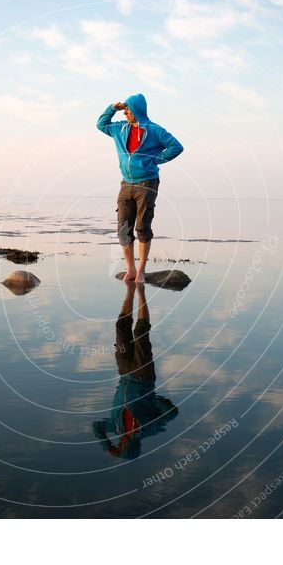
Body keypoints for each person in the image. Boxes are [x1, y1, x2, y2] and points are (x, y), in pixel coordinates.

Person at [97, 93, 183, 283]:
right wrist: (113, 107)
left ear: (137, 110)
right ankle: (131, 269)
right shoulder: (120, 129)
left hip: (147, 183)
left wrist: (154, 160)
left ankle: (142, 271)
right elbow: (101, 124)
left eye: (128, 109)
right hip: (125, 184)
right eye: (125, 109)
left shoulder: (154, 130)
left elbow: (176, 146)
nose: (126, 112)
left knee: (142, 227)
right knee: (123, 229)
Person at [92, 283, 178, 459]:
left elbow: (96, 427)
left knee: (121, 327)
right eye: (120, 447)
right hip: (143, 374)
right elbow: (172, 412)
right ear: (129, 447)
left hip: (124, 373)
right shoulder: (147, 429)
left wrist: (107, 446)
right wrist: (152, 400)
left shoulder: (115, 427)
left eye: (118, 446)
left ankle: (130, 289)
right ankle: (141, 292)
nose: (119, 443)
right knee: (140, 332)